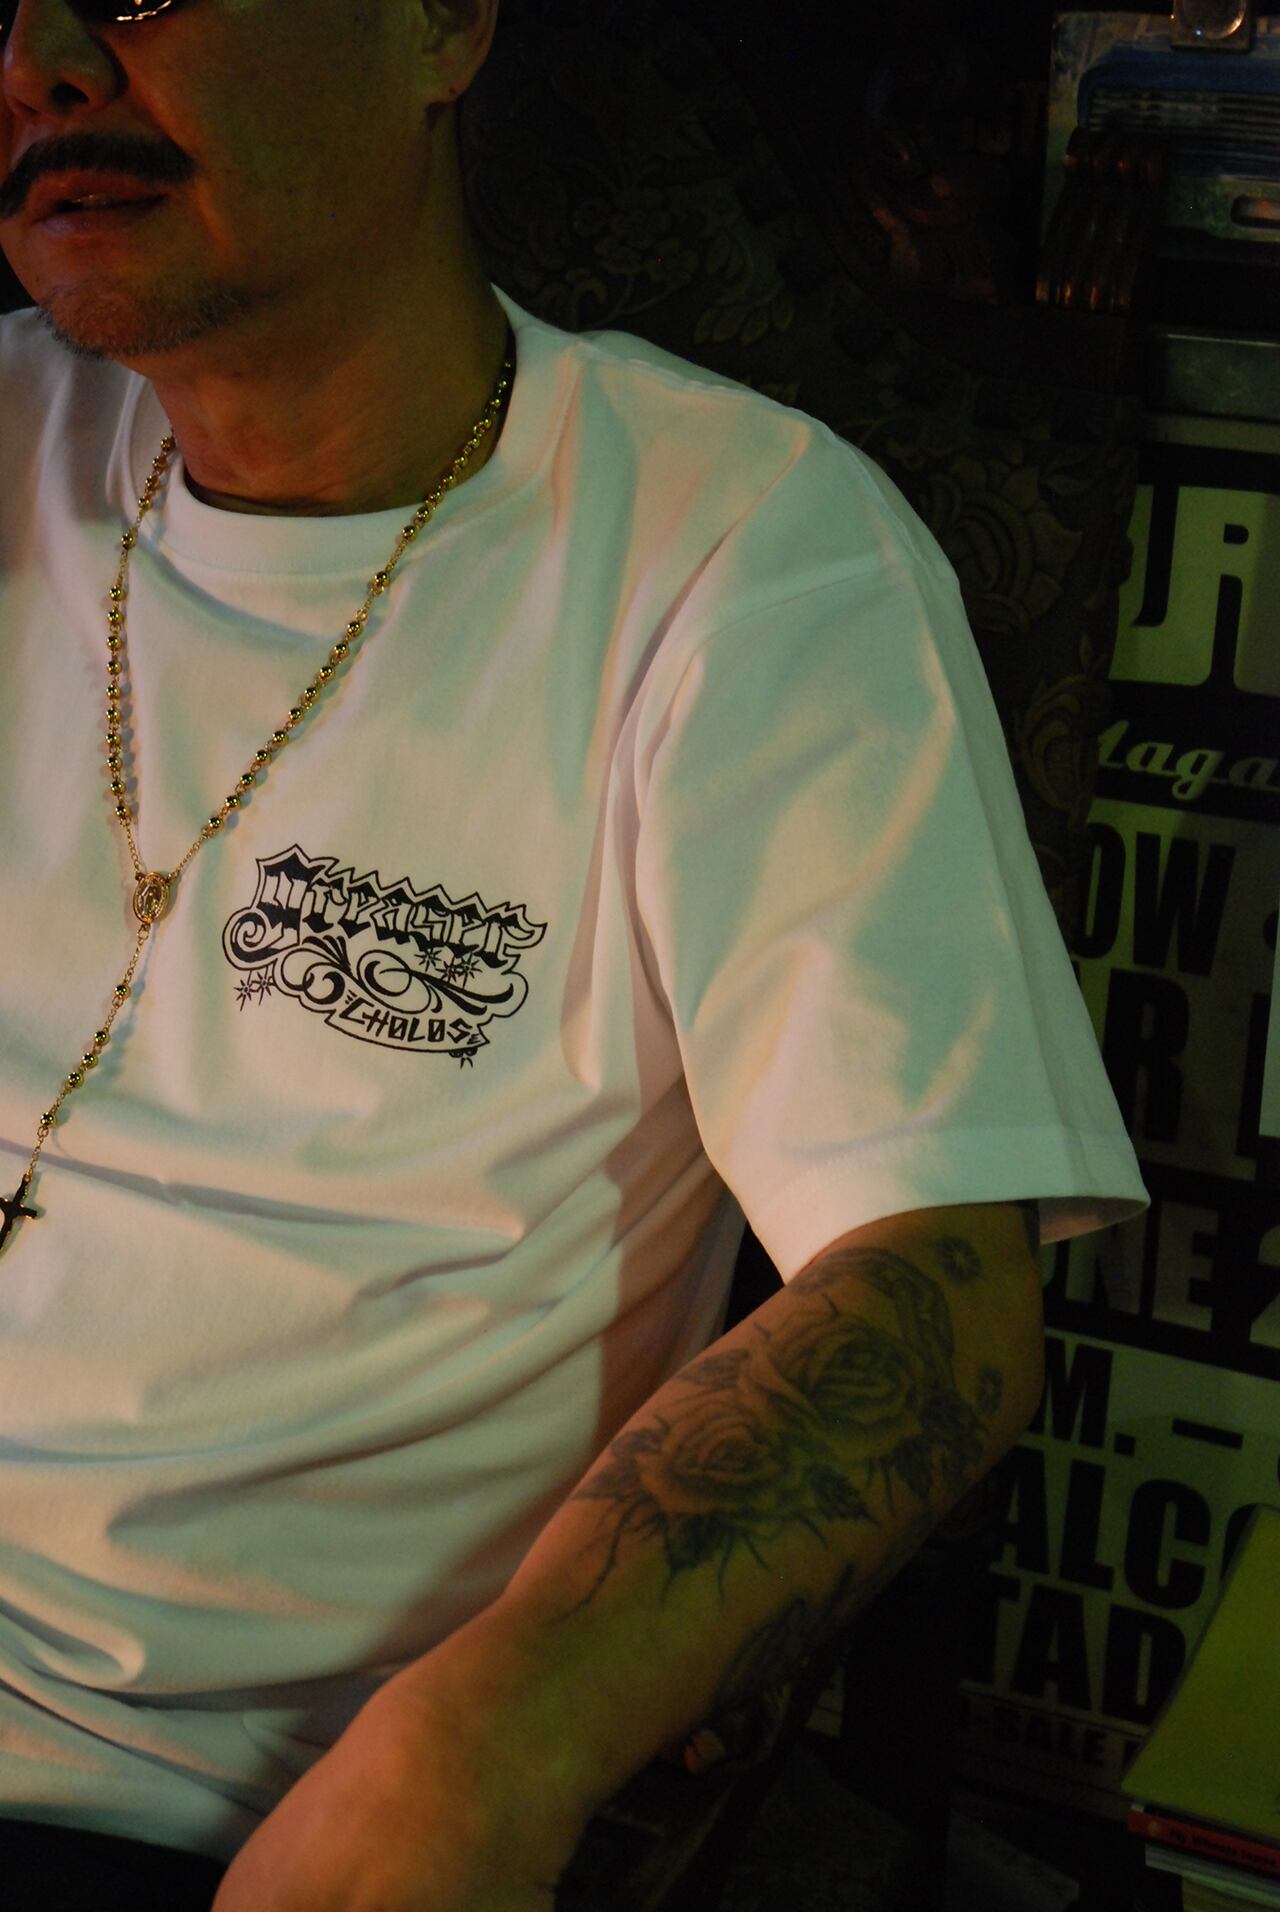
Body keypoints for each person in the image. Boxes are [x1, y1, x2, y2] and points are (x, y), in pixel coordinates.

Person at [0, 2, 1148, 1908]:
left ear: (438, 23)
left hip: (190, 1812)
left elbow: (933, 1287)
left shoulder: (746, 553)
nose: (42, 58)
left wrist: (498, 1740)